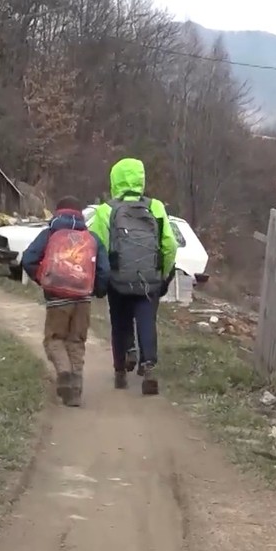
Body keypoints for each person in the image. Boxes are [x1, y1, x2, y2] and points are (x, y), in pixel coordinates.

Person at [88, 158, 178, 395]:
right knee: (147, 320)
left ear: (114, 180)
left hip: (118, 278)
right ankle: (148, 367)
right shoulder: (156, 207)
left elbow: (97, 246)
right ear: (141, 179)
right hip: (149, 279)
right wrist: (164, 273)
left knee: (120, 322)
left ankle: (121, 368)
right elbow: (170, 245)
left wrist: (103, 277)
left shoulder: (106, 210)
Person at [21, 196, 110, 407]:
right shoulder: (92, 238)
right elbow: (104, 271)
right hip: (82, 299)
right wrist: (97, 290)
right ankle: (75, 391)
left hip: (56, 299)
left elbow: (28, 259)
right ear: (80, 214)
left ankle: (64, 373)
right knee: (76, 341)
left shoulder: (50, 234)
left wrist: (43, 280)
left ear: (57, 212)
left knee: (54, 339)